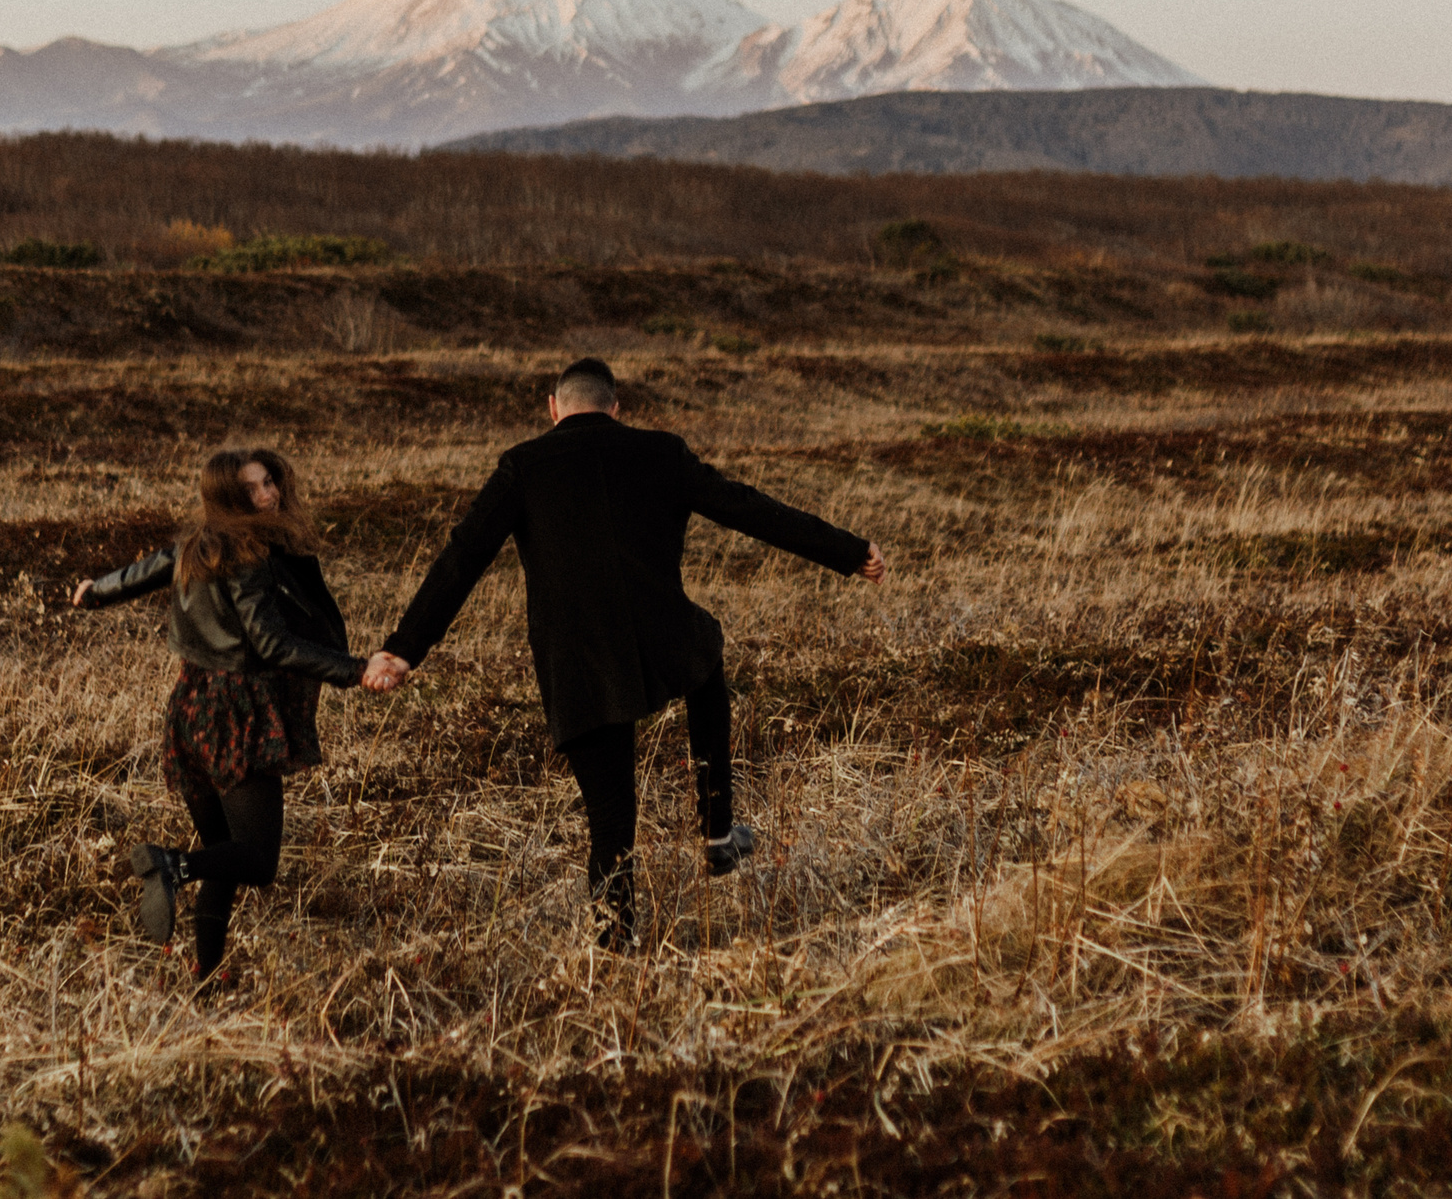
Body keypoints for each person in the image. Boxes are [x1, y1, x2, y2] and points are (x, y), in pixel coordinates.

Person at [362, 357, 885, 944]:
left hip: (577, 661)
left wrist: (404, 649)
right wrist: (846, 550)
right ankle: (716, 830)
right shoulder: (661, 451)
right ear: (617, 408)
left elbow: (463, 557)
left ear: (553, 408)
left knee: (612, 819)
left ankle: (615, 946)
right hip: (662, 639)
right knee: (705, 654)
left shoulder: (524, 466)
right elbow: (750, 508)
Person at [72, 447, 366, 982]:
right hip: (240, 714)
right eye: (255, 488)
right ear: (230, 497)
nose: (270, 494)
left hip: (190, 709)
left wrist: (95, 591)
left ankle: (205, 976)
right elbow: (271, 644)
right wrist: (354, 670)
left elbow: (141, 572)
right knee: (257, 860)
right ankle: (171, 865)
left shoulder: (194, 547)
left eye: (270, 482)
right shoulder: (246, 556)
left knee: (224, 857)